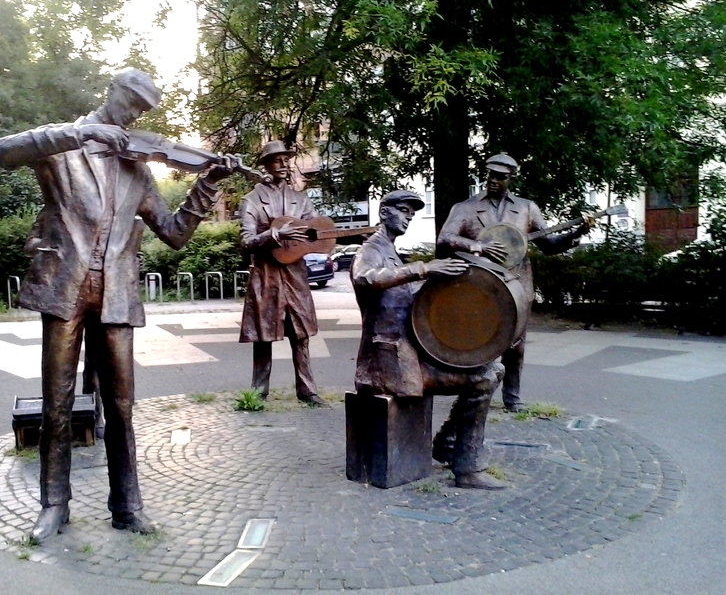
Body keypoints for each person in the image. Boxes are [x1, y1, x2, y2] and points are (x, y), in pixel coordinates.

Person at [0, 68, 234, 543]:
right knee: (57, 405)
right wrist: (79, 132)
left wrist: (208, 183)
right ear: (114, 93)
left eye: (144, 110)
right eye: (133, 103)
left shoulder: (137, 172)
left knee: (121, 407)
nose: (137, 115)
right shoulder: (62, 149)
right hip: (65, 290)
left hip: (116, 296)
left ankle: (127, 505)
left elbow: (175, 233)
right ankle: (54, 505)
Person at [351, 190, 506, 489]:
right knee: (485, 377)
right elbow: (365, 278)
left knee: (492, 368)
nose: (409, 217)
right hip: (388, 363)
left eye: (412, 212)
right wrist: (423, 268)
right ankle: (466, 467)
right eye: (404, 210)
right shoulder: (370, 249)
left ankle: (448, 443)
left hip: (410, 354)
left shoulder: (392, 253)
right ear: (384, 213)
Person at [437, 154, 590, 412]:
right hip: (480, 284)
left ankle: (512, 398)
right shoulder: (465, 208)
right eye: (490, 175)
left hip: (518, 283)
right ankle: (473, 394)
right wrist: (477, 245)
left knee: (516, 345)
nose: (494, 181)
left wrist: (577, 234)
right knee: (478, 342)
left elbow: (549, 245)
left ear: (511, 178)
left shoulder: (527, 208)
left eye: (501, 177)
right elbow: (445, 239)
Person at [238, 140, 327, 407]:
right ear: (265, 164)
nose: (283, 164)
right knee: (264, 335)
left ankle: (307, 390)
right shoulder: (252, 200)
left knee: (300, 333)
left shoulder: (301, 199)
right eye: (277, 160)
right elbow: (246, 241)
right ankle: (258, 392)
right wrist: (276, 234)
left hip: (295, 274)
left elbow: (317, 232)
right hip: (266, 275)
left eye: (286, 159)